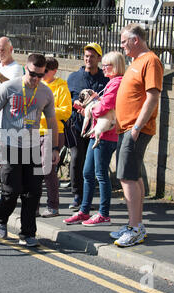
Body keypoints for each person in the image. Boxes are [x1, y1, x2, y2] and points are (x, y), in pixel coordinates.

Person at [0, 53, 59, 247]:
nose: (36, 78)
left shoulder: (45, 92)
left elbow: (52, 121)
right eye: (33, 74)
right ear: (25, 69)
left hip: (34, 145)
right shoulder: (9, 87)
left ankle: (27, 233)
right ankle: (1, 218)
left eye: (41, 75)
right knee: (11, 191)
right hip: (9, 145)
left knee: (33, 192)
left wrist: (54, 147)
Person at [112, 23, 163, 247]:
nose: (122, 46)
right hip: (126, 128)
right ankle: (135, 224)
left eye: (124, 41)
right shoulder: (136, 62)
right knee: (134, 176)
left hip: (135, 128)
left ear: (135, 40)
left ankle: (135, 228)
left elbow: (152, 97)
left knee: (126, 177)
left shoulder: (151, 61)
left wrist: (136, 128)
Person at [63, 51, 124, 226]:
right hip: (98, 132)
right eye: (103, 64)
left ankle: (103, 213)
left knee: (100, 174)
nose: (103, 67)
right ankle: (84, 210)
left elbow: (104, 107)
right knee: (87, 173)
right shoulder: (111, 82)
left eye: (107, 65)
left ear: (116, 66)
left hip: (107, 135)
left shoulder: (117, 83)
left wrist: (91, 108)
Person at [66, 43, 108, 211]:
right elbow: (68, 99)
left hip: (97, 126)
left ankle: (88, 197)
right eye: (86, 56)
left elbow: (106, 99)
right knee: (76, 158)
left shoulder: (105, 79)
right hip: (77, 124)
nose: (88, 59)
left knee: (92, 163)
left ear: (99, 58)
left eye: (92, 56)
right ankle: (77, 194)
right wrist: (76, 104)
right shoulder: (74, 77)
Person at [38, 57, 72, 217]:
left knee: (48, 170)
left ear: (54, 71)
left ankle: (53, 206)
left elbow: (66, 111)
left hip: (53, 132)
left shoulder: (61, 86)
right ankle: (34, 205)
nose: (43, 73)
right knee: (34, 171)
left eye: (46, 71)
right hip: (35, 131)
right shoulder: (37, 83)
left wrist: (45, 110)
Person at [0, 36, 24, 132]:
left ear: (11, 49)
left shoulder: (16, 68)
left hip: (6, 122)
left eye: (3, 50)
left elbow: (11, 89)